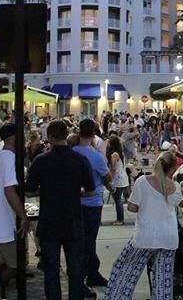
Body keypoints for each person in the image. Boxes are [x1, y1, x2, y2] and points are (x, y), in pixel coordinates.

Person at [25, 120, 95, 300]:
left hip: (49, 222)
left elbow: (30, 188)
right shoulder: (80, 160)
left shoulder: (41, 161)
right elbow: (90, 190)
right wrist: (75, 192)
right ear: (67, 136)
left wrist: (46, 189)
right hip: (73, 221)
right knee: (75, 271)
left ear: (49, 137)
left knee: (51, 271)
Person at [105, 152, 183, 300]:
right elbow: (178, 204)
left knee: (125, 271)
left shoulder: (143, 181)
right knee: (163, 281)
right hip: (169, 238)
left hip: (145, 236)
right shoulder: (176, 186)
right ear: (173, 169)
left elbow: (132, 207)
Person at [0, 123, 29, 298]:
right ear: (14, 139)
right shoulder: (10, 160)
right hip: (3, 224)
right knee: (17, 263)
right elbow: (9, 190)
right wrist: (23, 216)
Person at [73, 119, 114, 292]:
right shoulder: (96, 157)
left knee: (82, 241)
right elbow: (107, 178)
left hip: (75, 202)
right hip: (92, 203)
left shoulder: (71, 152)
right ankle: (83, 277)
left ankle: (91, 272)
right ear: (94, 134)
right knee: (88, 242)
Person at [106, 135, 129, 226]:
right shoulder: (120, 153)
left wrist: (109, 178)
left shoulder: (114, 155)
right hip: (122, 177)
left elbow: (113, 168)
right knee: (118, 199)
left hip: (117, 179)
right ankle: (120, 218)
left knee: (118, 200)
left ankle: (120, 219)